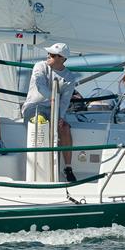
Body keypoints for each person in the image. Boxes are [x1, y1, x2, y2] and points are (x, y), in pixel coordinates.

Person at [21, 43, 78, 182]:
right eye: (49, 54)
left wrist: (60, 116)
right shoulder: (40, 66)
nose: (48, 56)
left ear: (62, 58)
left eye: (52, 55)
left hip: (54, 108)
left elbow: (65, 102)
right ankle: (39, 169)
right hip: (33, 107)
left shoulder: (69, 77)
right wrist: (53, 98)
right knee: (41, 122)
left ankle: (68, 168)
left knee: (64, 128)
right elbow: (40, 86)